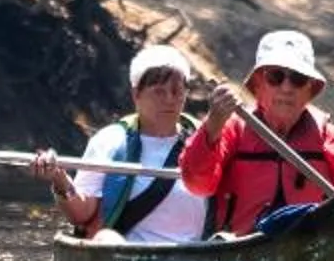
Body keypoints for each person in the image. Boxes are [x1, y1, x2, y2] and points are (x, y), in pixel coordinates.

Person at [177, 28, 334, 236]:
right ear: (258, 84)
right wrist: (213, 125)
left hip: (308, 250)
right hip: (241, 250)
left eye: (298, 79)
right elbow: (197, 185)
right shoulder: (232, 130)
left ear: (309, 90)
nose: (287, 88)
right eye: (275, 76)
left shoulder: (328, 137)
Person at [33, 42, 211, 244]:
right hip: (126, 259)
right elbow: (81, 214)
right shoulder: (110, 141)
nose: (170, 100)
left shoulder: (205, 140)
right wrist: (59, 178)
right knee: (106, 239)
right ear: (136, 95)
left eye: (177, 91)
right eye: (159, 92)